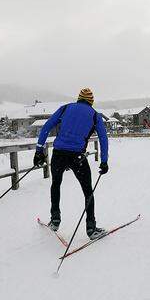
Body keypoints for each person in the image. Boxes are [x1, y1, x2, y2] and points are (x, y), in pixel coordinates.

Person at [33, 88, 109, 240]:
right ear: (91, 101)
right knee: (88, 191)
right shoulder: (95, 115)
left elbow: (46, 127)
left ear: (78, 99)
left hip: (59, 154)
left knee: (56, 184)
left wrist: (39, 151)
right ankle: (91, 228)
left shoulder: (66, 108)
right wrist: (104, 161)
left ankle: (55, 220)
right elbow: (103, 138)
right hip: (77, 157)